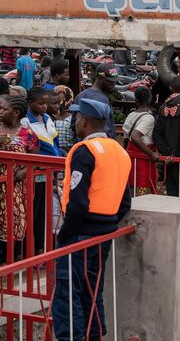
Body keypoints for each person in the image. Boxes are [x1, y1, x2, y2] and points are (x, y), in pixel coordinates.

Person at [53, 98, 132, 341]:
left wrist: (65, 234)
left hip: (81, 233)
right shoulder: (119, 151)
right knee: (92, 290)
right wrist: (106, 223)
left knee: (68, 293)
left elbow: (77, 202)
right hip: (104, 232)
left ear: (84, 121)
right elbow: (125, 202)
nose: (74, 122)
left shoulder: (84, 151)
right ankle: (95, 334)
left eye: (76, 118)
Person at [20, 87, 63, 253]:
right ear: (30, 103)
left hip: (49, 169)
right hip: (35, 172)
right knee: (33, 212)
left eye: (46, 103)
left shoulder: (47, 118)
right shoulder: (26, 121)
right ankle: (29, 251)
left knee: (43, 212)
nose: (45, 106)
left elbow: (55, 142)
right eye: (41, 103)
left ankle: (40, 249)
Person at [0, 96, 39, 263]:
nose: (0, 111)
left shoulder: (28, 135)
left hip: (15, 186)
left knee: (14, 219)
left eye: (4, 109)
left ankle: (9, 259)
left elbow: (35, 160)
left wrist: (22, 172)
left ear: (16, 113)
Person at [123, 87, 158, 196]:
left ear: (136, 100)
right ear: (150, 99)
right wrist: (151, 154)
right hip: (143, 158)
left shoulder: (130, 115)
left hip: (131, 156)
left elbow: (126, 138)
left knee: (131, 185)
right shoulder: (148, 118)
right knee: (143, 187)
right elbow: (135, 136)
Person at [72, 63, 117, 138]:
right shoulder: (102, 99)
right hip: (100, 145)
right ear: (100, 78)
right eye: (110, 81)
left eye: (115, 81)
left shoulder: (80, 95)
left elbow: (73, 125)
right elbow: (106, 131)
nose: (114, 84)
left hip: (84, 144)